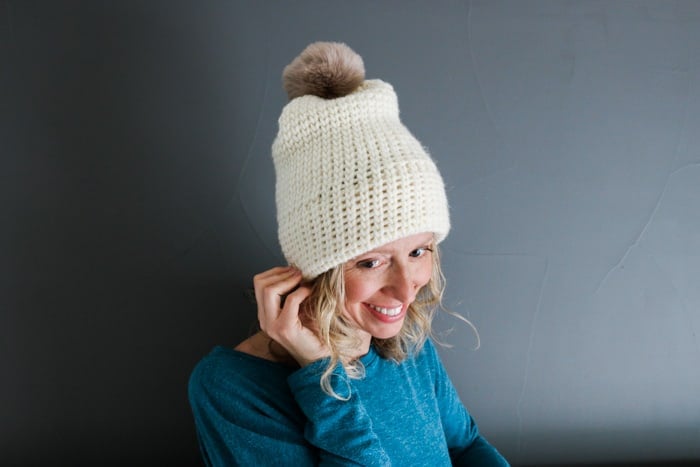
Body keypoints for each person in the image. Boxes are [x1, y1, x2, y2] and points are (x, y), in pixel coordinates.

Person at [188, 41, 509, 466]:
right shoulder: (233, 388)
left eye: (418, 250)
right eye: (371, 261)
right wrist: (320, 376)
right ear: (316, 266)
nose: (404, 290)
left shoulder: (405, 342)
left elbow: (466, 447)